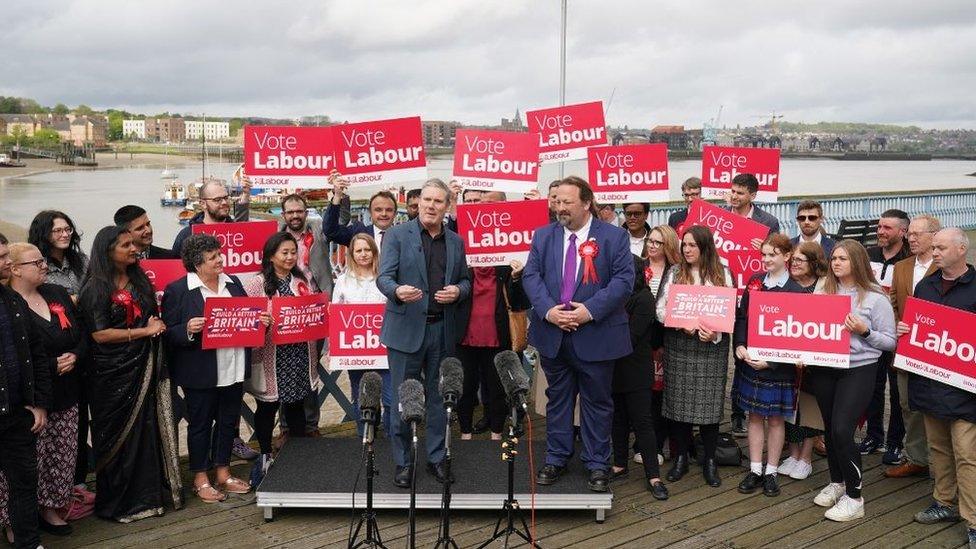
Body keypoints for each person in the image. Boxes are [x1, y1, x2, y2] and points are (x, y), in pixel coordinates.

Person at [523, 176, 634, 493]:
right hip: (553, 335)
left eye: (566, 202)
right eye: (556, 201)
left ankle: (597, 463)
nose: (559, 208)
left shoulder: (614, 237)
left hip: (596, 335)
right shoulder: (543, 236)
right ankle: (556, 458)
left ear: (586, 203)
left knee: (597, 402)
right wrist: (549, 311)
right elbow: (531, 276)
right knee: (556, 400)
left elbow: (623, 282)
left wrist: (588, 311)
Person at [79, 226, 181, 522]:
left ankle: (147, 499)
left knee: (145, 431)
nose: (134, 248)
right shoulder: (95, 288)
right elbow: (99, 335)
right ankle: (120, 504)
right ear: (107, 251)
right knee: (117, 438)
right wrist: (144, 331)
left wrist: (156, 325)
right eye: (126, 245)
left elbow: (150, 316)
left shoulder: (138, 281)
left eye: (132, 244)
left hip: (143, 366)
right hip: (110, 374)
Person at [376, 178, 471, 488]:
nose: (431, 205)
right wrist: (397, 290)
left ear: (447, 206)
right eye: (427, 200)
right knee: (404, 399)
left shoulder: (456, 241)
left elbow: (466, 282)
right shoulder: (396, 235)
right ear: (417, 204)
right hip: (406, 331)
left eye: (438, 201)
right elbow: (383, 278)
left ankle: (436, 458)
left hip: (442, 330)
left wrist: (458, 290)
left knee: (439, 400)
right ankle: (404, 463)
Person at [162, 233, 265, 503]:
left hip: (232, 365)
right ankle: (199, 477)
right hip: (200, 371)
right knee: (199, 424)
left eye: (219, 255)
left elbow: (247, 316)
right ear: (197, 264)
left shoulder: (233, 284)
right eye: (213, 258)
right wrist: (186, 329)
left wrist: (260, 318)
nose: (220, 260)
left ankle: (223, 472)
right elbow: (168, 333)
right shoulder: (178, 290)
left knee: (228, 423)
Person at [804, 239, 896, 522]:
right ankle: (837, 482)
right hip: (825, 367)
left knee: (843, 429)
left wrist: (865, 331)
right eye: (834, 259)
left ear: (857, 261)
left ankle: (855, 497)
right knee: (831, 428)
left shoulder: (875, 298)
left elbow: (890, 342)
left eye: (842, 258)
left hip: (858, 369)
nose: (836, 263)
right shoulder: (823, 290)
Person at [1, 244, 86, 539]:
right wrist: (51, 365)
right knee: (24, 463)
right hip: (31, 396)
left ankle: (51, 508)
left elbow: (81, 332)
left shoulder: (57, 294)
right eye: (36, 262)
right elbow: (18, 353)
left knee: (61, 454)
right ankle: (15, 521)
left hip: (67, 389)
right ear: (15, 269)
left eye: (42, 260)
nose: (44, 266)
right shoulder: (9, 303)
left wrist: (75, 354)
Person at [902, 228, 976, 548]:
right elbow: (918, 326)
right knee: (940, 450)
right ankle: (944, 502)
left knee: (967, 454)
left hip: (965, 389)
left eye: (941, 248)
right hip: (931, 381)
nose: (935, 252)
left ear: (961, 250)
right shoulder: (925, 285)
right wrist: (906, 328)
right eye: (933, 247)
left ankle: (973, 519)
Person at [656, 225, 733, 488]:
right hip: (680, 346)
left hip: (711, 349)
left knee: (710, 408)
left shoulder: (723, 273)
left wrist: (715, 335)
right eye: (684, 245)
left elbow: (729, 312)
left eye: (692, 245)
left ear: (705, 247)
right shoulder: (675, 272)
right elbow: (660, 311)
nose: (687, 250)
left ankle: (710, 460)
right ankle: (680, 458)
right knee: (678, 406)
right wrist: (679, 323)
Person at [243, 232, 320, 485]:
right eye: (284, 252)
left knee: (297, 403)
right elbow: (246, 318)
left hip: (298, 352)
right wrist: (260, 321)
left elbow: (312, 311)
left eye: (292, 252)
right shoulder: (256, 283)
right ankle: (265, 453)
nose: (289, 257)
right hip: (271, 355)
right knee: (267, 406)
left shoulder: (302, 279)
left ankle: (296, 454)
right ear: (270, 255)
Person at [732, 234, 804, 497]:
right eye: (763, 254)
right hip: (751, 360)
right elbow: (742, 317)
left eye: (772, 254)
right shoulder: (754, 282)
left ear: (786, 256)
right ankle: (755, 469)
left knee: (775, 420)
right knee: (753, 417)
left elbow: (797, 334)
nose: (766, 259)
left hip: (778, 367)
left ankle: (771, 471)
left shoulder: (798, 291)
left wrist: (771, 361)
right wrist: (739, 344)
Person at [456, 191, 530, 441]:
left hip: (497, 331)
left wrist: (518, 277)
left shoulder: (512, 253)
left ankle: (497, 433)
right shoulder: (460, 244)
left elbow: (521, 301)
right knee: (465, 388)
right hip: (465, 331)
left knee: (497, 387)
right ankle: (465, 432)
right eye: (477, 203)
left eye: (490, 204)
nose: (482, 209)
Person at [0, 234, 51, 549]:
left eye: (7, 255)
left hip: (16, 413)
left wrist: (39, 403)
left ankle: (29, 544)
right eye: (2, 256)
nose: (7, 261)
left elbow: (36, 353)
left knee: (23, 485)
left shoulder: (12, 300)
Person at [885, 214, 940, 479]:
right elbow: (894, 302)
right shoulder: (902, 266)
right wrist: (897, 325)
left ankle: (940, 460)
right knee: (907, 403)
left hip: (938, 349)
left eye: (918, 234)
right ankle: (917, 458)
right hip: (906, 347)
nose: (911, 238)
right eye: (910, 234)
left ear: (934, 236)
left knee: (938, 405)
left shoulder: (944, 268)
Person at [611, 255, 668, 500]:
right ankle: (620, 463)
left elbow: (631, 337)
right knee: (618, 419)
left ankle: (653, 476)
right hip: (614, 368)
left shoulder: (644, 299)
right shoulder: (615, 297)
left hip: (636, 370)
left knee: (643, 423)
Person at [280, 193, 333, 438]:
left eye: (299, 211)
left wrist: (339, 195)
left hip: (317, 308)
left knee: (312, 369)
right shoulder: (276, 235)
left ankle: (311, 425)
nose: (295, 215)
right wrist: (246, 198)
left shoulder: (319, 230)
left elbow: (338, 220)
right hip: (287, 311)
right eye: (290, 212)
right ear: (283, 215)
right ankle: (286, 428)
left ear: (306, 211)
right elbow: (242, 224)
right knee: (285, 369)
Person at [861, 208, 911, 458]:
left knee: (897, 390)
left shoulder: (910, 260)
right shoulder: (868, 254)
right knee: (872, 386)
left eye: (886, 228)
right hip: (869, 332)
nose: (880, 231)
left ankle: (895, 442)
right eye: (879, 226)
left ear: (903, 231)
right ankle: (874, 436)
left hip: (898, 334)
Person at [332, 233, 392, 437]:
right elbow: (337, 314)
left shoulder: (386, 278)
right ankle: (365, 437)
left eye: (367, 249)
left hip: (383, 348)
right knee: (361, 396)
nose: (364, 254)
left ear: (375, 252)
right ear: (351, 253)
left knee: (390, 397)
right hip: (356, 349)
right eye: (359, 250)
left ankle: (393, 438)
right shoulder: (342, 281)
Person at [780, 241, 829, 480]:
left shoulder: (825, 287)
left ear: (814, 262)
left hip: (813, 363)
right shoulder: (784, 284)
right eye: (793, 260)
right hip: (786, 360)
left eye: (800, 260)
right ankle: (792, 452)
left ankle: (806, 457)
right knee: (788, 407)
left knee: (809, 407)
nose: (794, 264)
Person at [643, 225, 681, 466]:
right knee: (646, 393)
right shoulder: (638, 266)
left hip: (666, 340)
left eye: (658, 242)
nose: (652, 245)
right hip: (641, 340)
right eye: (650, 241)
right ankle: (647, 443)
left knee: (664, 392)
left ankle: (665, 440)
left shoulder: (676, 271)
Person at [324, 175, 397, 251]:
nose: (384, 214)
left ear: (395, 213)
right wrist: (337, 196)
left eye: (389, 210)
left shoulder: (404, 236)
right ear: (370, 212)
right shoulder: (358, 233)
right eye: (378, 210)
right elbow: (331, 231)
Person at [27, 211, 87, 300]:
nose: (65, 235)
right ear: (44, 234)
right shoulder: (35, 265)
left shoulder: (81, 259)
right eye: (58, 230)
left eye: (67, 229)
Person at [172, 180, 235, 255]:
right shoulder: (186, 235)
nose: (224, 202)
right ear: (203, 204)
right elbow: (174, 264)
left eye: (226, 198)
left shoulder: (239, 232)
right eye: (217, 200)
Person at [113, 205, 178, 259]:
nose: (148, 231)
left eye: (148, 224)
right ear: (126, 233)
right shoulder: (116, 263)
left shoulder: (170, 257)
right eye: (140, 228)